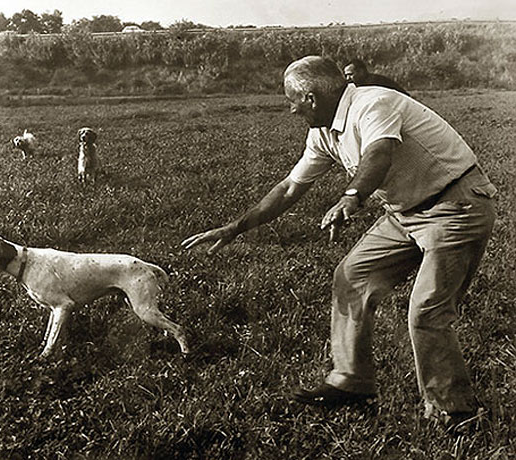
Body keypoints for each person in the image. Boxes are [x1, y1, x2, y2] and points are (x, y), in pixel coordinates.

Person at [181, 56, 496, 432]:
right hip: (405, 213)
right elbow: (289, 188)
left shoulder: (372, 103)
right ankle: (352, 381)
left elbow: (379, 152)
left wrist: (351, 197)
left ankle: (454, 413)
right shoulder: (323, 132)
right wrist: (235, 228)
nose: (290, 108)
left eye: (292, 100)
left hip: (455, 205)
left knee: (427, 311)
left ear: (311, 98)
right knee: (352, 276)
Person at [343, 59, 409, 96]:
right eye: (346, 75)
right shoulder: (359, 84)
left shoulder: (374, 82)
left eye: (350, 74)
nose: (347, 78)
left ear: (361, 72)